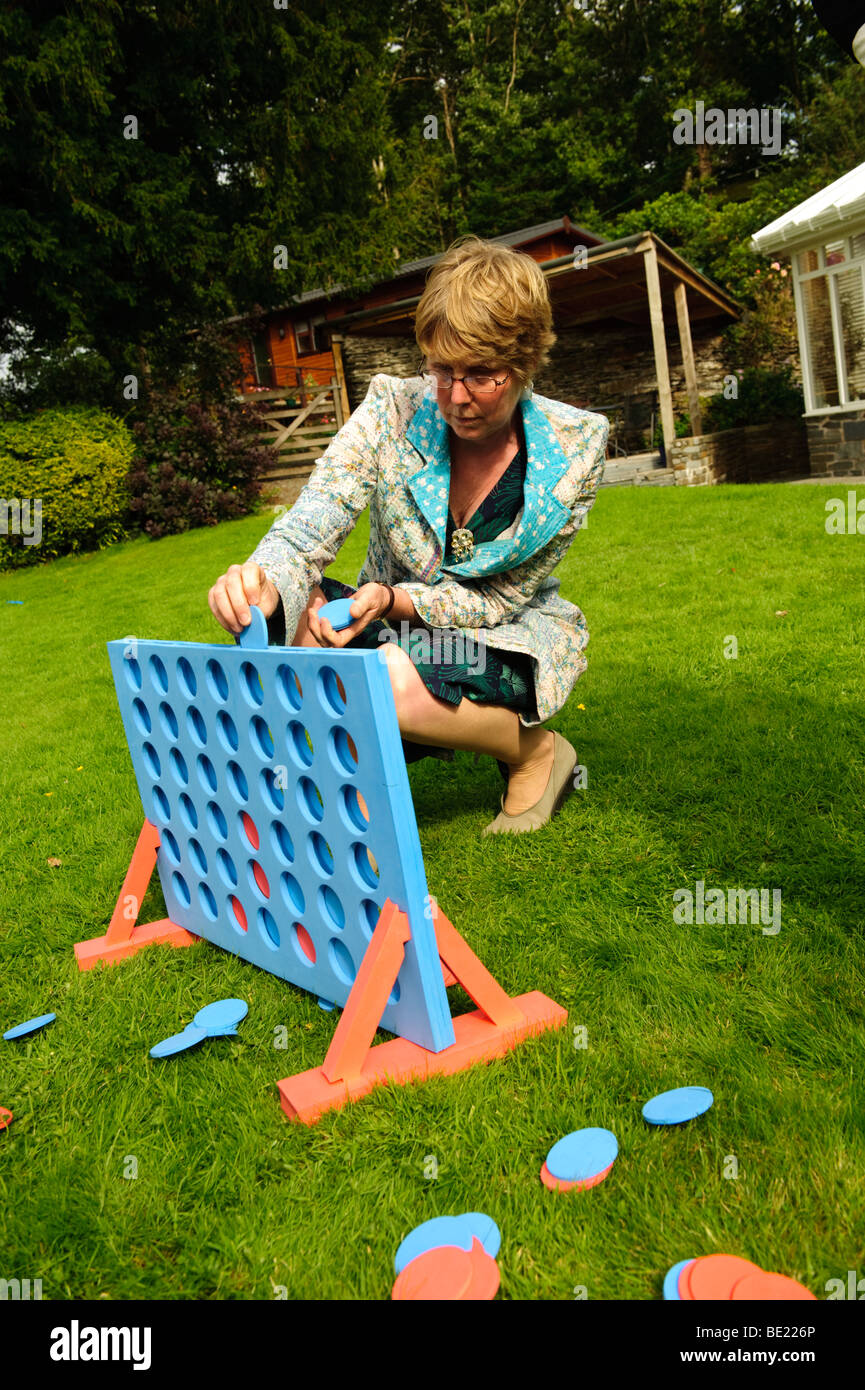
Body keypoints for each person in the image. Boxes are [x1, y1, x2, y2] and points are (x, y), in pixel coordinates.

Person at [208, 234, 608, 835]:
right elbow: (309, 525)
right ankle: (326, 809)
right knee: (295, 624)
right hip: (385, 617)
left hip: (500, 628)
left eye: (480, 375)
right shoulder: (390, 409)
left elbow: (499, 598)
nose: (454, 396)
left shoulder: (577, 449)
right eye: (441, 369)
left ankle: (536, 753)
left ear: (524, 364)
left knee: (387, 678)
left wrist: (396, 602)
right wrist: (263, 583)